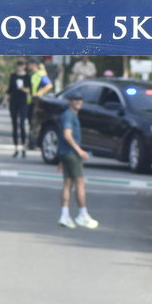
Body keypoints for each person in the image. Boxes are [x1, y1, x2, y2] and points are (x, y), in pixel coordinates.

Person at [55, 94, 98, 229]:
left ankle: (65, 215)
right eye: (75, 100)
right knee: (79, 182)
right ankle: (82, 214)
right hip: (71, 154)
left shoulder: (71, 115)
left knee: (68, 183)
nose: (79, 102)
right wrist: (79, 151)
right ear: (70, 101)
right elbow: (67, 135)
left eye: (80, 100)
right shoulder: (69, 115)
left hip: (66, 154)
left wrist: (62, 158)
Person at [6, 59, 31, 158]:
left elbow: (30, 90)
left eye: (22, 64)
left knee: (22, 124)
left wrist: (23, 88)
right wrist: (5, 99)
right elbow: (9, 89)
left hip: (23, 102)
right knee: (14, 125)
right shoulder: (13, 76)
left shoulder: (27, 76)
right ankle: (16, 147)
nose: (20, 66)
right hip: (13, 101)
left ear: (24, 66)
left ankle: (24, 146)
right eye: (18, 64)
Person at [26, 59, 53, 149]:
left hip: (37, 101)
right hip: (31, 102)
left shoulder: (40, 74)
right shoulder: (32, 74)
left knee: (35, 122)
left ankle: (34, 142)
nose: (27, 65)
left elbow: (49, 85)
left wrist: (38, 94)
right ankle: (31, 142)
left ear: (34, 64)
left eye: (29, 63)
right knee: (31, 122)